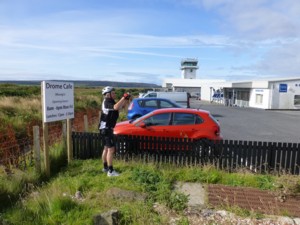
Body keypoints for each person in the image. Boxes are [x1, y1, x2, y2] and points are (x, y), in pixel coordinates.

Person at [99, 86, 130, 177]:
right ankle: (111, 171)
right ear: (108, 94)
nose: (114, 94)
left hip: (105, 128)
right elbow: (116, 107)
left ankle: (105, 168)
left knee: (106, 148)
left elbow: (125, 109)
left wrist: (126, 100)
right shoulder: (107, 101)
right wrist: (123, 97)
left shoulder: (111, 102)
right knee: (111, 149)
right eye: (113, 93)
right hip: (106, 129)